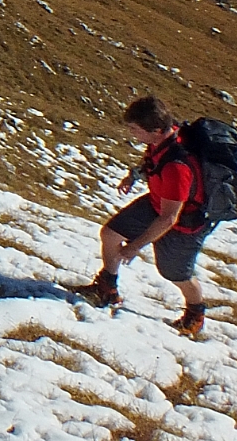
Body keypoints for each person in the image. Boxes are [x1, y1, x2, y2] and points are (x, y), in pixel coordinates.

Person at [76, 96, 211, 337]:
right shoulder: (165, 140)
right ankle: (106, 286)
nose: (131, 134)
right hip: (158, 201)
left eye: (135, 129)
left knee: (175, 273)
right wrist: (135, 175)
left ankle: (195, 313)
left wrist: (135, 247)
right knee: (110, 234)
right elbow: (153, 159)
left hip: (184, 222)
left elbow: (169, 219)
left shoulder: (177, 168)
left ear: (157, 130)